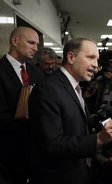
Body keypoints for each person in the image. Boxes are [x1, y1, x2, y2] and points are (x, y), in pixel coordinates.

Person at [28, 38, 112, 184]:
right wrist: (97, 139)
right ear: (71, 57)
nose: (96, 65)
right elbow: (52, 144)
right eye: (90, 57)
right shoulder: (47, 89)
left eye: (97, 59)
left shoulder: (75, 86)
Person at [0, 26, 43, 184]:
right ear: (15, 41)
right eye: (31, 43)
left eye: (37, 44)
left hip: (35, 148)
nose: (36, 48)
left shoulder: (36, 72)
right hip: (8, 151)